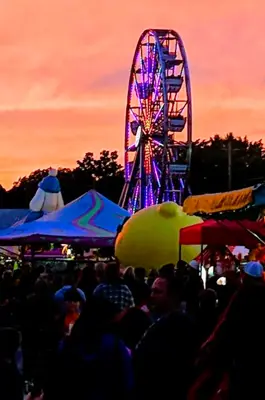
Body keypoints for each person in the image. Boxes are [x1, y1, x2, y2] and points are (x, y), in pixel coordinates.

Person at [134, 276, 198, 400]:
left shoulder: (179, 325)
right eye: (152, 291)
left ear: (173, 296)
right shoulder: (153, 319)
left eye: (157, 292)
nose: (152, 296)